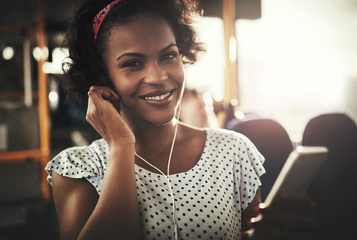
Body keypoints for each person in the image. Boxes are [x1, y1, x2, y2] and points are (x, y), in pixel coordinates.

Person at [45, 0, 316, 239]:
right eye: (133, 63)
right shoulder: (76, 168)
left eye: (168, 56)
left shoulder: (233, 150)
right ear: (103, 77)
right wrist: (121, 146)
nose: (159, 76)